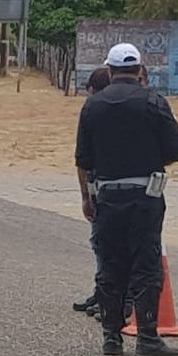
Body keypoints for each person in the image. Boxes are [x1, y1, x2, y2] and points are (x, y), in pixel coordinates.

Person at [74, 42, 178, 356]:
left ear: (109, 71)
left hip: (107, 195)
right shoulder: (154, 101)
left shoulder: (93, 105)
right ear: (140, 71)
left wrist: (86, 196)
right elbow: (175, 150)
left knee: (111, 264)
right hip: (145, 196)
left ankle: (111, 338)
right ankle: (147, 338)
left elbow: (82, 157)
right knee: (146, 264)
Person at [72, 67, 111, 315]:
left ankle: (110, 299)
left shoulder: (92, 111)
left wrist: (85, 196)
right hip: (130, 190)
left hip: (103, 188)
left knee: (105, 244)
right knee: (104, 244)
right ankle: (104, 294)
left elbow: (82, 159)